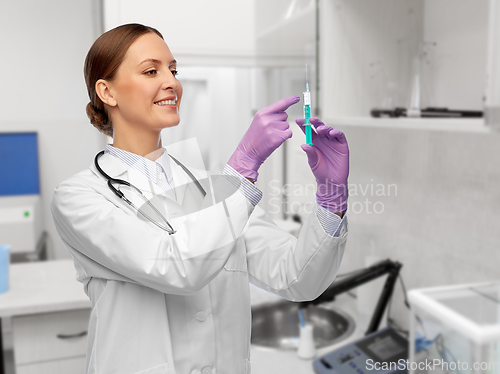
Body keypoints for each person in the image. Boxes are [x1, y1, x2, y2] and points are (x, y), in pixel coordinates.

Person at [51, 23, 350, 374]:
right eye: (152, 70)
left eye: (173, 70)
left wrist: (332, 197)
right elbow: (176, 267)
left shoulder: (212, 188)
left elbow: (297, 278)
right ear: (108, 91)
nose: (172, 82)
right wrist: (243, 168)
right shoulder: (79, 197)